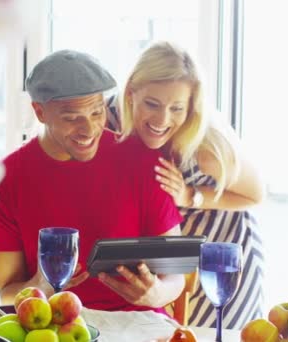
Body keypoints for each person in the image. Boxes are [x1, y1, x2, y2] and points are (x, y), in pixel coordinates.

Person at [0, 50, 186, 314]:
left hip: (137, 324)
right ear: (40, 112)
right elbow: (7, 293)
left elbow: (175, 275)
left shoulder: (143, 160)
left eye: (96, 113)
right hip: (51, 325)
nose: (89, 130)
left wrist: (156, 294)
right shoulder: (2, 182)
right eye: (72, 118)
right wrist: (41, 286)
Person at [110, 41, 265, 329]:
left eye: (177, 108)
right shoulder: (111, 120)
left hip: (219, 255)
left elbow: (255, 195)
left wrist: (190, 195)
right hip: (166, 249)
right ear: (131, 92)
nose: (162, 120)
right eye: (152, 104)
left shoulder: (205, 147)